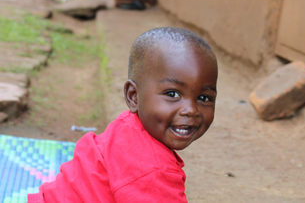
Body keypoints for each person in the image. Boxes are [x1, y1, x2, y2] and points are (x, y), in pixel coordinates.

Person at [27, 27, 218, 203]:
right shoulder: (154, 170)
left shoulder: (128, 126)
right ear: (133, 96)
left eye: (204, 97)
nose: (191, 110)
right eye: (172, 94)